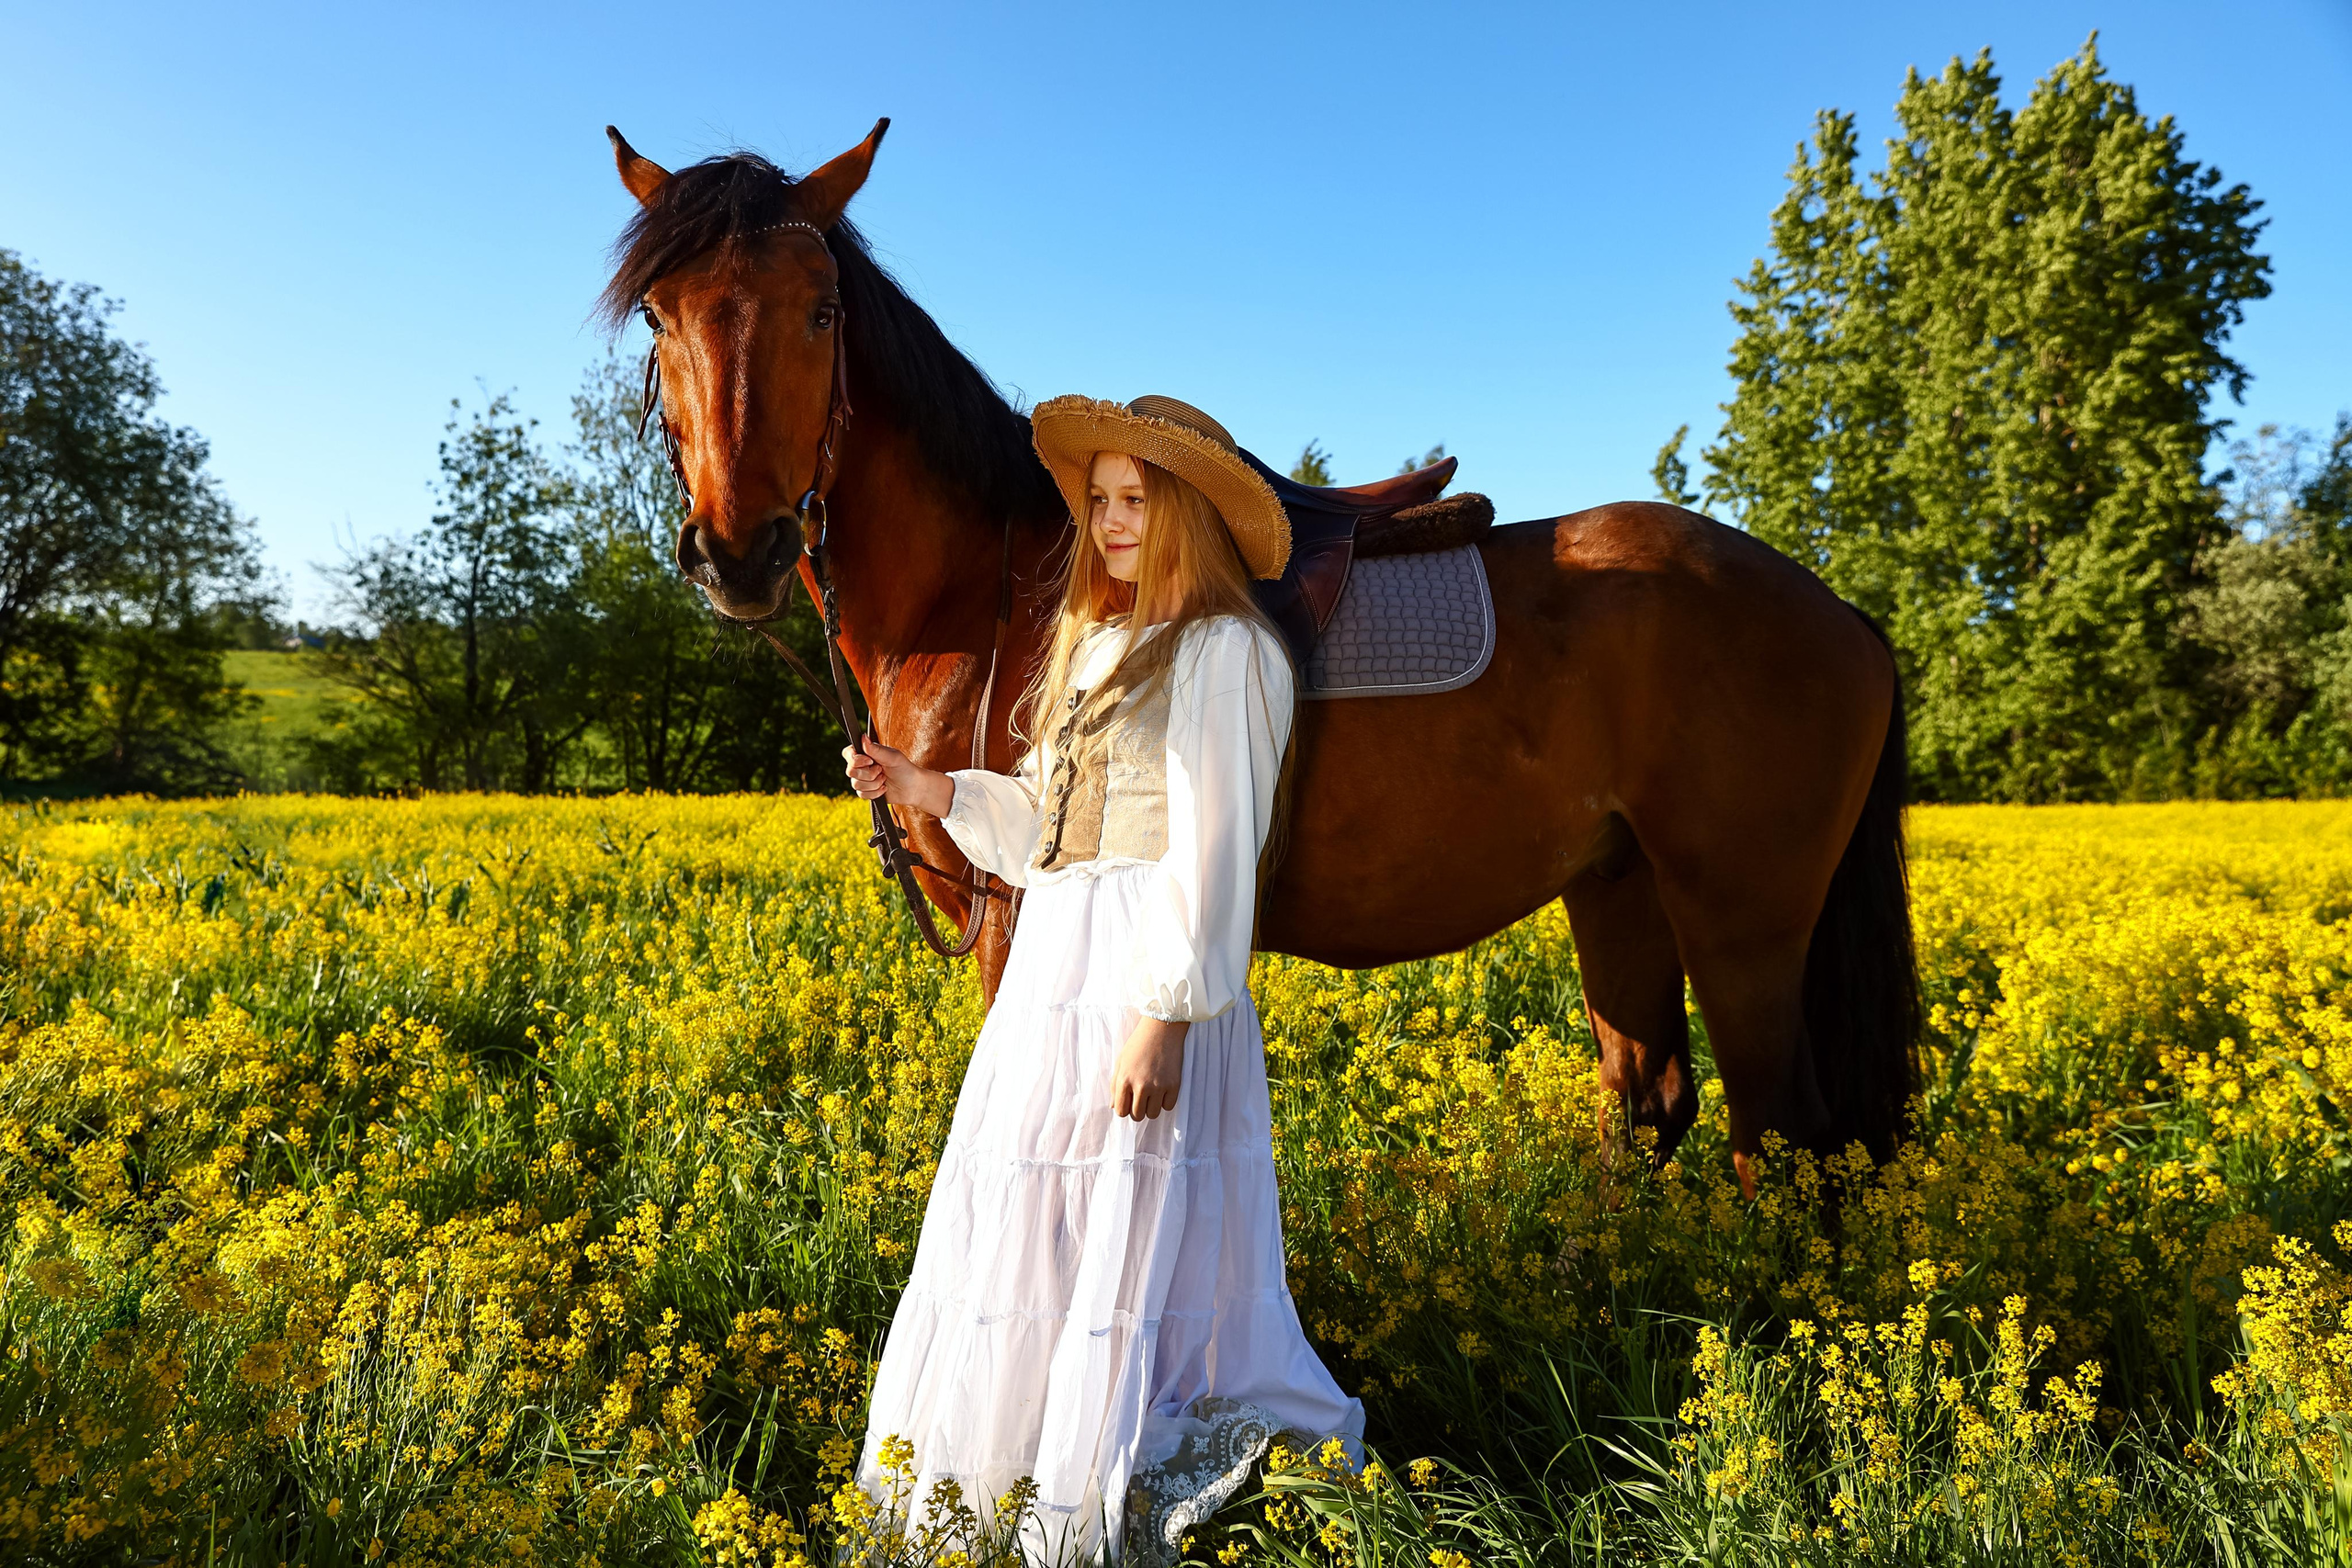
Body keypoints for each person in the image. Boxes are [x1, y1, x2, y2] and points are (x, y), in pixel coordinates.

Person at [843, 394, 1364, 1564]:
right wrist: (926, 789)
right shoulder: (1095, 643)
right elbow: (1048, 828)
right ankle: (1029, 1446)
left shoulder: (1228, 650)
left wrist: (1164, 1013)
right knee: (1044, 1203)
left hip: (1143, 960)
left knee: (1134, 1206)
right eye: (1100, 500)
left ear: (1185, 514)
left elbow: (1213, 846)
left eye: (1137, 500)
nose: (1112, 520)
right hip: (1057, 958)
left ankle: (1123, 1443)